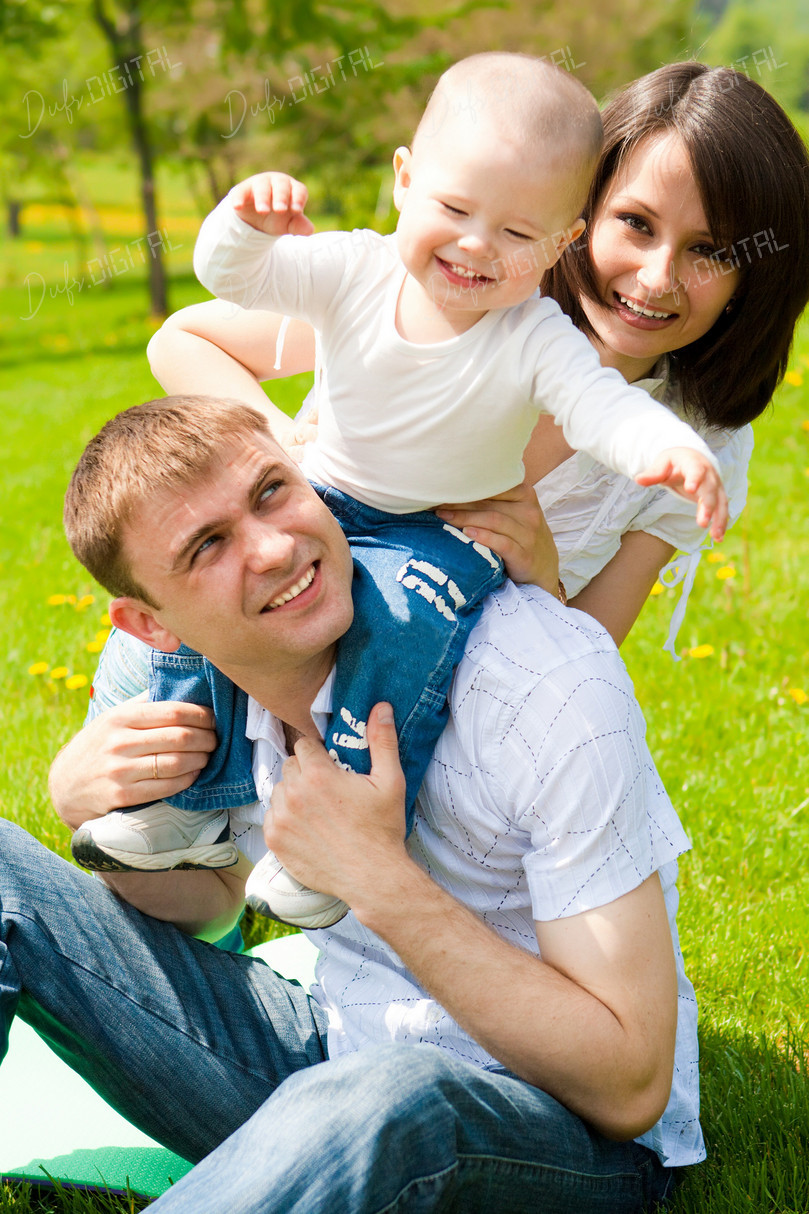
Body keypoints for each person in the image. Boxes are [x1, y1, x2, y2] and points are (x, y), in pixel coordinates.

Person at [70, 53, 729, 917]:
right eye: (454, 210)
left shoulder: (533, 336)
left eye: (516, 234)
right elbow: (233, 281)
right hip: (322, 493)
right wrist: (246, 222)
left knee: (399, 631)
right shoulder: (356, 269)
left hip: (435, 536)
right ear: (404, 181)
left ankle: (341, 830)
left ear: (561, 243)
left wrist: (660, 446)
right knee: (202, 613)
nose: (473, 246)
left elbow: (599, 405)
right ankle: (179, 809)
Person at [10, 395, 697, 1212]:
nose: (271, 549)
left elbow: (628, 1085)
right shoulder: (215, 693)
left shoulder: (540, 684)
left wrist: (378, 878)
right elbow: (207, 909)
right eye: (207, 546)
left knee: (379, 1097)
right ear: (152, 626)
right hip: (339, 1049)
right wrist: (92, 817)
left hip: (561, 1132)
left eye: (270, 491)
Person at [148, 60, 809, 655]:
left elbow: (585, 672)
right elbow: (185, 338)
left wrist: (540, 571)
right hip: (275, 620)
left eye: (711, 251)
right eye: (635, 223)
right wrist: (282, 449)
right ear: (579, 211)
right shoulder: (439, 292)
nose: (657, 276)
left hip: (442, 715)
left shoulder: (697, 441)